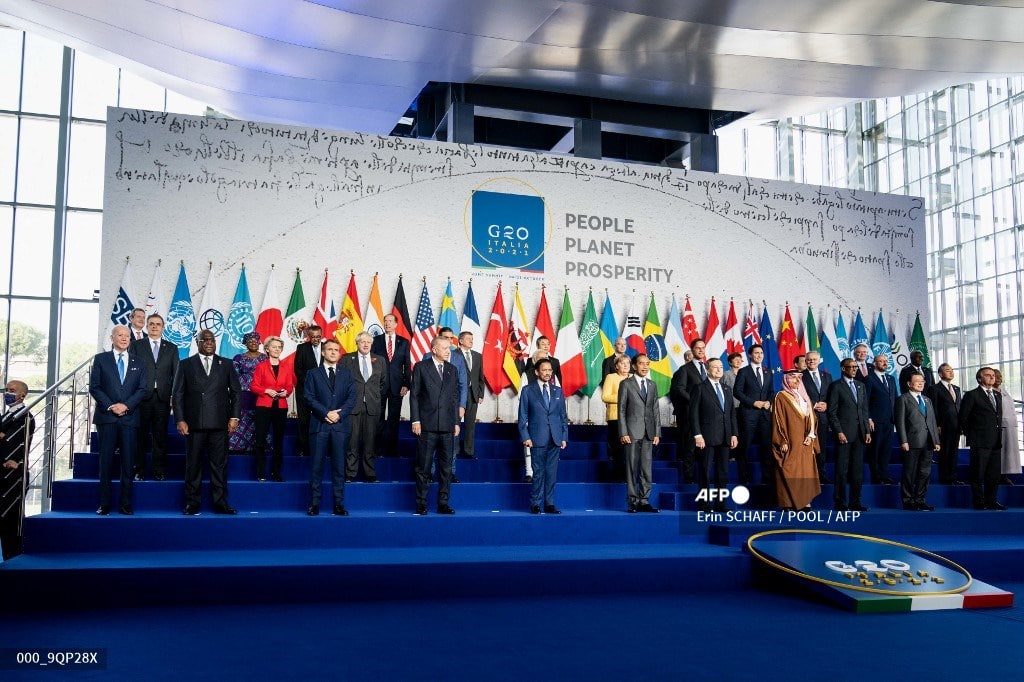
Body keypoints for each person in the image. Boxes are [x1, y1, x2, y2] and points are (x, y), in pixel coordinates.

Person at [172, 328, 242, 515]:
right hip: (194, 424)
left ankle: (220, 502)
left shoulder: (226, 364)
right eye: (205, 340)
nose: (209, 343)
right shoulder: (186, 364)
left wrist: (234, 417)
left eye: (212, 340)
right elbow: (177, 393)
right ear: (198, 343)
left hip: (219, 424)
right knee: (193, 465)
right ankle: (192, 503)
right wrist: (180, 419)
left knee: (219, 466)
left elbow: (236, 392)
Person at [90, 325, 149, 515]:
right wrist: (111, 405)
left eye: (127, 336)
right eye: (120, 335)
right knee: (105, 462)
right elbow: (95, 386)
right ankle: (105, 504)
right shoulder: (101, 359)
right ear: (112, 337)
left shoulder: (139, 362)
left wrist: (126, 406)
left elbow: (142, 389)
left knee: (128, 462)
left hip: (130, 418)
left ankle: (125, 504)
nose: (124, 338)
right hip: (106, 417)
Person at [303, 338, 356, 516]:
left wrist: (338, 414)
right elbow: (308, 397)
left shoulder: (347, 374)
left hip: (340, 427)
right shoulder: (312, 373)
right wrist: (326, 413)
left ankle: (339, 504)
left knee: (339, 468)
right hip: (320, 425)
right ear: (323, 353)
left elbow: (352, 398)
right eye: (330, 349)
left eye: (336, 349)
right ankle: (314, 504)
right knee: (316, 467)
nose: (333, 352)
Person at [410, 335, 461, 515]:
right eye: (445, 348)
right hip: (427, 425)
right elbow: (414, 395)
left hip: (447, 426)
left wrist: (456, 422)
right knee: (423, 467)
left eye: (449, 348)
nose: (448, 351)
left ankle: (443, 503)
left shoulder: (452, 370)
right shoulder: (421, 367)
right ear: (434, 349)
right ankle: (421, 503)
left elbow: (454, 398)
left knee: (446, 468)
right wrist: (415, 420)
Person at [129, 313, 179, 481]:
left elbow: (176, 374)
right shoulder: (136, 345)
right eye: (151, 324)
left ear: (162, 327)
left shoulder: (171, 348)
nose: (155, 327)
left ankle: (159, 470)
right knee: (140, 436)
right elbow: (131, 372)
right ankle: (139, 470)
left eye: (158, 324)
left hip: (163, 398)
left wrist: (174, 395)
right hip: (142, 398)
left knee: (160, 436)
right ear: (146, 327)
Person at [518, 358, 568, 514]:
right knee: (538, 473)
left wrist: (564, 437)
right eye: (544, 370)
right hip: (536, 438)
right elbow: (522, 416)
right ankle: (535, 504)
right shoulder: (527, 390)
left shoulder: (558, 391)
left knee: (551, 474)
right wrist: (525, 436)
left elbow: (563, 416)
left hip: (555, 438)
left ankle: (550, 504)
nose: (547, 373)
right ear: (536, 372)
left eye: (550, 370)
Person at [690, 358, 739, 512]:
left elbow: (731, 414)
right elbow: (693, 414)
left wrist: (734, 434)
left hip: (725, 437)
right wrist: (697, 435)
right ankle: (704, 504)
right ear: (707, 369)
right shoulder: (700, 388)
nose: (718, 370)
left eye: (720, 367)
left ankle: (720, 504)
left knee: (723, 472)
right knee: (705, 470)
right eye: (715, 367)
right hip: (706, 437)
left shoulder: (726, 388)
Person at [772, 369, 821, 510]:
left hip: (805, 441)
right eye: (793, 377)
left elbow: (812, 417)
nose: (796, 380)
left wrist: (811, 435)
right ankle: (787, 503)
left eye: (799, 377)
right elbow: (778, 419)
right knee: (787, 469)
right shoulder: (781, 396)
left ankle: (805, 501)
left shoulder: (804, 397)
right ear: (786, 379)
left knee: (805, 472)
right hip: (790, 440)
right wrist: (782, 440)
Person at [618, 354, 661, 513]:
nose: (645, 366)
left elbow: (655, 410)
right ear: (634, 366)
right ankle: (632, 502)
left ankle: (644, 501)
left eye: (647, 364)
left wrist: (657, 432)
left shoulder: (652, 384)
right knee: (631, 469)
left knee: (646, 469)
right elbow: (621, 410)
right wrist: (623, 432)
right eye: (641, 363)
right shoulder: (626, 384)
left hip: (649, 433)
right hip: (631, 432)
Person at [826, 359, 871, 512]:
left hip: (859, 435)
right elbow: (831, 412)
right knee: (841, 470)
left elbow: (864, 411)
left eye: (855, 367)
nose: (854, 369)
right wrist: (838, 431)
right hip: (843, 434)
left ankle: (855, 502)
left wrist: (867, 431)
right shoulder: (836, 386)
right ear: (843, 368)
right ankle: (840, 503)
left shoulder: (861, 386)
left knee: (857, 470)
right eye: (851, 367)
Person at [959, 367, 1006, 510]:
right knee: (978, 473)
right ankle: (979, 501)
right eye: (988, 375)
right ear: (980, 378)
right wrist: (973, 435)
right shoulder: (972, 395)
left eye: (993, 375)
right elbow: (963, 418)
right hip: (979, 441)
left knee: (994, 475)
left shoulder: (997, 396)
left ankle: (991, 500)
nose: (992, 377)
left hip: (995, 441)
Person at [341, 331, 386, 483]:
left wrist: (372, 396)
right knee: (352, 442)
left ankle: (370, 473)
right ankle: (351, 474)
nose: (366, 344)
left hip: (372, 407)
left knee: (370, 442)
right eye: (362, 342)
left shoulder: (379, 360)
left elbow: (382, 383)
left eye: (368, 342)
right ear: (357, 343)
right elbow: (342, 382)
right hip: (353, 407)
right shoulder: (347, 359)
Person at [250, 335, 295, 482]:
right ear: (267, 349)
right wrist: (266, 391)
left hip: (281, 407)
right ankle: (261, 472)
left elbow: (289, 386)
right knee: (260, 440)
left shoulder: (286, 367)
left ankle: (276, 473)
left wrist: (285, 393)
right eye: (274, 347)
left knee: (278, 441)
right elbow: (254, 386)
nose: (277, 349)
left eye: (279, 347)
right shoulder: (260, 366)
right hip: (263, 406)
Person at [425, 327, 468, 482]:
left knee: (452, 443)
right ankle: (430, 472)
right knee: (430, 444)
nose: (449, 341)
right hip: (432, 411)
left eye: (451, 338)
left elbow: (463, 384)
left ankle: (451, 472)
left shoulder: (458, 358)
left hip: (452, 408)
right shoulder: (427, 357)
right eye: (446, 338)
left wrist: (462, 406)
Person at [894, 373, 940, 511]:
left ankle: (920, 500)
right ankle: (908, 501)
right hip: (912, 442)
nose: (921, 383)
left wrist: (936, 440)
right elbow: (900, 422)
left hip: (928, 442)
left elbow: (932, 421)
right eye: (917, 381)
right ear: (909, 384)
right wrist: (903, 441)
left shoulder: (927, 400)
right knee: (909, 472)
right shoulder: (903, 399)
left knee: (924, 473)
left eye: (922, 381)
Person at [1, 380, 35, 559]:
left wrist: (3, 437)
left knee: (11, 521)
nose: (7, 393)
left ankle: (13, 562)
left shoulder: (25, 417)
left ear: (22, 395)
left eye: (12, 391)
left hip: (14, 476)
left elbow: (10, 444)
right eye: (6, 390)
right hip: (3, 473)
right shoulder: (5, 416)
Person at [733, 343, 774, 486]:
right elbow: (737, 392)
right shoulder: (744, 372)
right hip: (748, 415)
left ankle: (767, 479)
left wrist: (769, 402)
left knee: (767, 448)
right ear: (750, 355)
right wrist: (753, 403)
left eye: (761, 353)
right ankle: (744, 478)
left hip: (764, 416)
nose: (759, 355)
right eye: (756, 353)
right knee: (744, 447)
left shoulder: (768, 372)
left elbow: (770, 392)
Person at [371, 314, 412, 458]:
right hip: (379, 386)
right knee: (378, 419)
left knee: (394, 419)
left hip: (397, 386)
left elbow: (407, 365)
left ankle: (392, 451)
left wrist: (407, 384)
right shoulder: (375, 341)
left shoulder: (404, 342)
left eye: (390, 321)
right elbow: (372, 364)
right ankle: (377, 450)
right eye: (385, 321)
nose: (387, 323)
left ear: (396, 324)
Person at [669, 338, 708, 484]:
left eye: (703, 348)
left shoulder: (708, 368)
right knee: (689, 448)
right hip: (689, 414)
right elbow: (679, 389)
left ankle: (704, 477)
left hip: (705, 415)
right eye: (698, 348)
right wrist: (694, 401)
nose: (701, 350)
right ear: (692, 350)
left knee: (705, 448)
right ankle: (689, 478)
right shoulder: (684, 370)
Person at [229, 331, 268, 453]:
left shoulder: (265, 358)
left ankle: (260, 446)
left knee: (260, 419)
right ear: (245, 344)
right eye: (250, 341)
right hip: (244, 393)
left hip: (261, 393)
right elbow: (233, 377)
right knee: (243, 418)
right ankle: (239, 446)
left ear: (259, 343)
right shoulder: (238, 358)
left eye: (255, 341)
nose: (253, 343)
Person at [927, 363, 964, 485]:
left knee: (954, 452)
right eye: (948, 370)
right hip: (943, 426)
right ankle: (945, 478)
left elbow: (959, 407)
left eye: (952, 370)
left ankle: (952, 477)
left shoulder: (957, 388)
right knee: (945, 452)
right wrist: (937, 425)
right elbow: (933, 408)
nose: (951, 372)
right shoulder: (934, 388)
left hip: (956, 425)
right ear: (940, 374)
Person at [864, 354, 898, 484]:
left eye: (885, 361)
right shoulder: (869, 379)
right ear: (875, 363)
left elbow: (894, 398)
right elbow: (865, 400)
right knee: (875, 449)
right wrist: (869, 418)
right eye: (881, 361)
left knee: (886, 449)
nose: (884, 363)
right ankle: (876, 475)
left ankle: (884, 474)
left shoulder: (890, 378)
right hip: (875, 420)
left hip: (889, 420)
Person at [801, 350, 832, 484]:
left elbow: (832, 395)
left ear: (819, 361)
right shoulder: (800, 376)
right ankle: (808, 475)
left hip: (823, 418)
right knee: (807, 448)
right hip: (807, 418)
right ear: (805, 361)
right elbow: (797, 395)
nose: (811, 361)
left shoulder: (827, 376)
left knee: (822, 448)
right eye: (809, 360)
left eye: (814, 359)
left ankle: (821, 474)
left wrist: (826, 404)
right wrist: (813, 405)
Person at [293, 325, 324, 457]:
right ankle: (304, 449)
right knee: (304, 420)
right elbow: (298, 369)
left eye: (318, 337)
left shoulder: (327, 347)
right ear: (309, 336)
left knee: (321, 420)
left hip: (323, 392)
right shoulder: (302, 348)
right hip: (305, 391)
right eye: (313, 337)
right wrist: (312, 384)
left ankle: (320, 448)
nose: (316, 339)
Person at [601, 354, 632, 481]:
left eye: (628, 363)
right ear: (616, 366)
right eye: (622, 363)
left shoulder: (634, 378)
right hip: (615, 417)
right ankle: (618, 476)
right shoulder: (611, 377)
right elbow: (605, 396)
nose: (626, 365)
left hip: (632, 418)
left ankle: (629, 476)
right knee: (618, 449)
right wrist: (625, 398)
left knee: (629, 450)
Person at [457, 331, 484, 460]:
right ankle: (455, 451)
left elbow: (480, 377)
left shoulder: (478, 356)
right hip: (457, 394)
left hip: (473, 394)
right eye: (468, 339)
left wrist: (480, 393)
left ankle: (469, 451)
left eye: (472, 339)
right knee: (455, 422)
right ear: (460, 341)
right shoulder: (453, 354)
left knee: (470, 424)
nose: (471, 341)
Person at [994, 369, 1021, 485]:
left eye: (1001, 376)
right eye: (997, 376)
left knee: (1009, 452)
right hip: (1000, 426)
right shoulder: (990, 393)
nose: (1000, 378)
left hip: (1010, 426)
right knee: (1001, 452)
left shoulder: (1004, 391)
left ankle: (1005, 474)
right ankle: (998, 475)